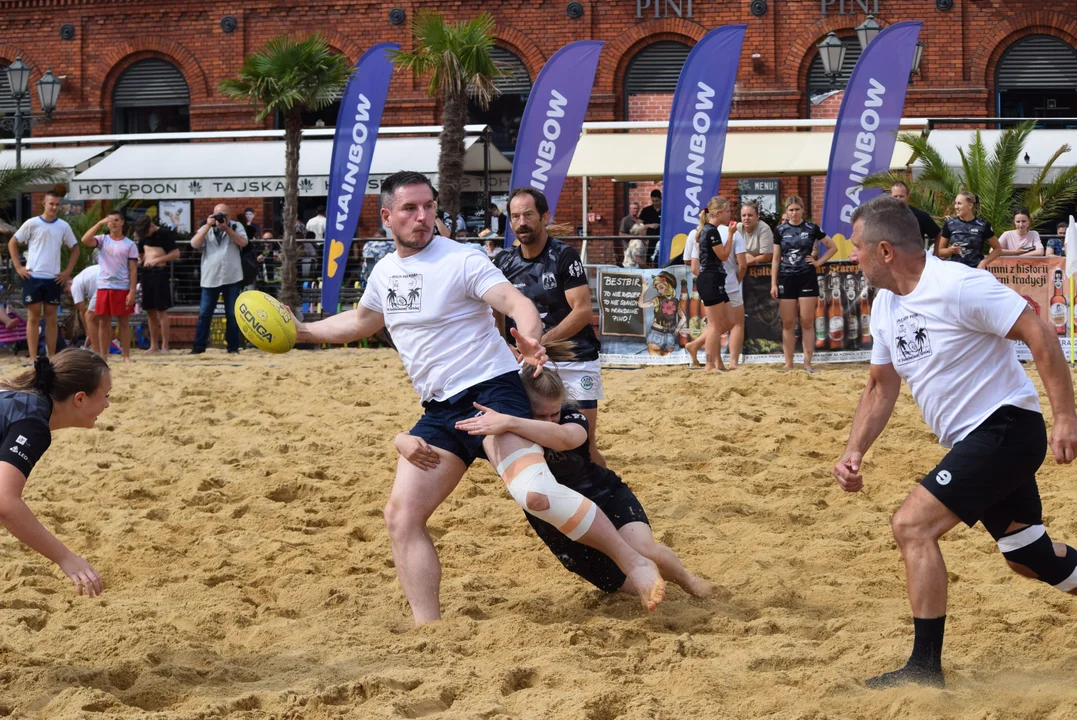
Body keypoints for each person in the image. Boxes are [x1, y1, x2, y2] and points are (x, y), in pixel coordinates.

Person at [291, 171, 665, 625]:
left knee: (536, 495)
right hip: (441, 409)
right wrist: (302, 331)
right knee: (400, 516)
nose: (423, 216)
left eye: (428, 206)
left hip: (492, 388)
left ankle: (634, 562)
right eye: (410, 208)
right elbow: (361, 321)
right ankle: (428, 629)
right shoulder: (385, 272)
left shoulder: (461, 259)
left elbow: (515, 301)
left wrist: (529, 336)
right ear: (387, 216)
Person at [836, 196, 1077, 689]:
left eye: (857, 249)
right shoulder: (886, 305)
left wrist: (1066, 418)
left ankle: (924, 669)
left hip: (1006, 425)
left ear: (884, 250)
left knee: (911, 526)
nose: (851, 258)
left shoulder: (958, 283)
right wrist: (854, 449)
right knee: (1027, 555)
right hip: (976, 438)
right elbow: (881, 386)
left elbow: (1039, 333)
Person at [453, 365, 716, 597]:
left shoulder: (570, 417)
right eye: (540, 414)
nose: (549, 420)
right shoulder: (505, 436)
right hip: (558, 519)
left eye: (552, 413)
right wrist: (410, 441)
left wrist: (510, 421)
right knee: (624, 588)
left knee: (644, 549)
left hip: (602, 493)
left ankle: (688, 580)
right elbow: (451, 443)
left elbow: (567, 438)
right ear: (523, 405)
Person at [495, 187, 607, 468]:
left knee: (584, 444)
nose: (522, 222)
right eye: (516, 216)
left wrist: (541, 340)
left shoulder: (564, 256)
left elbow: (582, 311)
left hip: (575, 358)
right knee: (536, 445)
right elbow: (494, 310)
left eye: (528, 215)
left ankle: (608, 499)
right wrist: (503, 343)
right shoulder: (504, 262)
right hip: (530, 363)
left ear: (545, 217)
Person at [0, 350, 112, 597]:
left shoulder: (17, 397)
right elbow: (5, 503)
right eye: (105, 395)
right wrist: (65, 558)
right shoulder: (33, 422)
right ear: (80, 398)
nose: (107, 404)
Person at [8, 191, 81, 361]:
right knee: (33, 318)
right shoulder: (32, 223)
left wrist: (67, 272)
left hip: (53, 278)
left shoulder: (63, 226)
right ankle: (34, 358)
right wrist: (18, 267)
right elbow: (13, 242)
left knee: (51, 319)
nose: (54, 207)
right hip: (33, 277)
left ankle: (52, 357)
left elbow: (75, 249)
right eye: (51, 204)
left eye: (57, 204)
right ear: (44, 203)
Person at [770, 196, 836, 372]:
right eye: (791, 210)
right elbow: (776, 258)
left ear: (802, 209)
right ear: (786, 211)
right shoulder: (780, 230)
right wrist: (773, 284)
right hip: (786, 278)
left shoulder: (812, 228)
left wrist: (818, 262)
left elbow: (832, 247)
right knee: (788, 323)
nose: (794, 213)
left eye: (797, 209)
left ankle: (807, 363)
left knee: (807, 321)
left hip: (807, 277)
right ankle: (788, 363)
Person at [685, 198, 737, 371]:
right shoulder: (711, 231)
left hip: (715, 278)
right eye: (727, 211)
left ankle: (713, 358)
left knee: (729, 321)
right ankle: (709, 364)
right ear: (717, 213)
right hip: (711, 279)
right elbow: (723, 255)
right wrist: (730, 235)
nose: (729, 214)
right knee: (715, 326)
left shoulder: (708, 230)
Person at [190, 204, 248, 355]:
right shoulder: (206, 228)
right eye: (218, 215)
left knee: (232, 314)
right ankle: (199, 346)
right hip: (210, 277)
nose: (222, 218)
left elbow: (244, 243)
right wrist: (208, 226)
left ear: (229, 216)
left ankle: (233, 347)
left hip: (232, 276)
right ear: (213, 215)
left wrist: (226, 229)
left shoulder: (236, 226)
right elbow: (194, 244)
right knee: (204, 314)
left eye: (225, 215)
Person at [81, 210, 138, 363]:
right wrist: (100, 223)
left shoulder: (130, 244)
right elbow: (85, 240)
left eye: (116, 220)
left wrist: (132, 291)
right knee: (103, 322)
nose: (113, 223)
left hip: (122, 286)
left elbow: (133, 269)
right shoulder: (102, 240)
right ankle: (103, 355)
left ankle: (126, 356)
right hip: (104, 286)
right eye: (110, 220)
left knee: (123, 323)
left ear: (122, 222)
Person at [132, 215, 180, 353]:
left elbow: (176, 254)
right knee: (150, 311)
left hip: (160, 273)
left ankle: (165, 345)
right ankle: (154, 345)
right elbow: (141, 255)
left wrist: (157, 259)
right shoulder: (143, 237)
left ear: (152, 226)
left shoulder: (164, 234)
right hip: (146, 274)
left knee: (161, 311)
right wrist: (139, 261)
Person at [938, 191, 1002, 269]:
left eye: (959, 203)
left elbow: (998, 249)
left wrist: (983, 262)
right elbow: (940, 251)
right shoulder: (950, 223)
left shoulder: (983, 225)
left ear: (970, 205)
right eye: (955, 203)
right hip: (955, 271)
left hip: (976, 271)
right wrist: (951, 250)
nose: (956, 207)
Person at [637, 271, 684, 357]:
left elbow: (641, 305)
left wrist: (643, 291)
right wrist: (676, 331)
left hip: (656, 335)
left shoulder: (657, 300)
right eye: (657, 289)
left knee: (654, 358)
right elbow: (683, 318)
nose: (659, 291)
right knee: (666, 359)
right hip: (669, 337)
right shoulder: (676, 302)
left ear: (668, 286)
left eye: (661, 287)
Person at [889, 181, 941, 253]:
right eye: (895, 196)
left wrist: (936, 254)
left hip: (915, 259)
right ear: (891, 196)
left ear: (908, 196)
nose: (898, 199)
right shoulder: (885, 216)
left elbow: (938, 234)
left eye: (901, 196)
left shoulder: (920, 215)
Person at [67, 264, 101, 353]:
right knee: (103, 319)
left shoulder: (74, 284)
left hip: (102, 282)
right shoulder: (82, 278)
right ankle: (102, 349)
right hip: (109, 279)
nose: (69, 295)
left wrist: (88, 333)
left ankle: (96, 350)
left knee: (89, 316)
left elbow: (82, 311)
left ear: (69, 283)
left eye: (67, 291)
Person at [738, 200, 775, 267]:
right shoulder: (737, 228)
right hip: (742, 267)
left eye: (750, 215)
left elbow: (767, 257)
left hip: (761, 270)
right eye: (743, 215)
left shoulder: (764, 229)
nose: (746, 218)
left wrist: (750, 260)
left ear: (757, 216)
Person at [638, 190, 662, 263]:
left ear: (661, 199)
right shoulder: (646, 210)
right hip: (650, 239)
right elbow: (639, 224)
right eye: (653, 201)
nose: (655, 203)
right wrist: (649, 225)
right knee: (650, 257)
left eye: (657, 201)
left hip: (662, 239)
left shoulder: (666, 209)